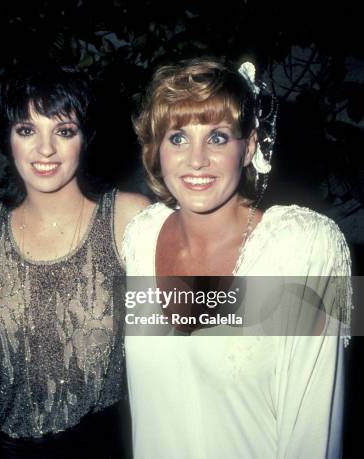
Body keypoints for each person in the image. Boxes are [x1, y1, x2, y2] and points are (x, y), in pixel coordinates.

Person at [122, 58, 352, 458]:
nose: (196, 160)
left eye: (218, 137)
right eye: (177, 138)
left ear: (248, 148)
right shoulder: (140, 237)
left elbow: (315, 427)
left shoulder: (306, 247)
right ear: (156, 149)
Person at [0, 64, 149, 458]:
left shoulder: (128, 217)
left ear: (85, 138)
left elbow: (190, 319)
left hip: (103, 446)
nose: (46, 149)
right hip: (5, 450)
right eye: (27, 130)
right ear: (8, 139)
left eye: (64, 131)